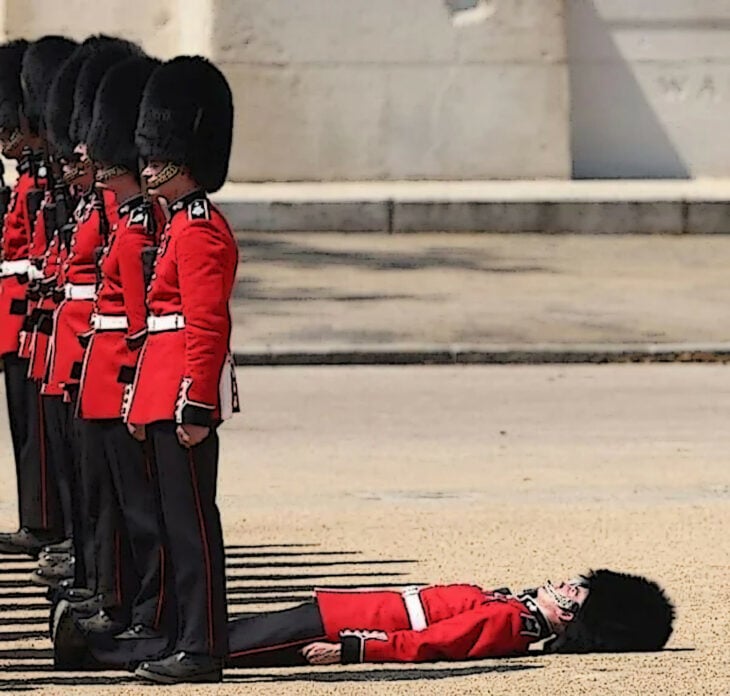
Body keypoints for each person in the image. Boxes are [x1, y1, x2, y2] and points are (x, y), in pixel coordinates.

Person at [123, 55, 239, 685]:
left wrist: (195, 404)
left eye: (154, 154)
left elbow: (205, 326)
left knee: (193, 529)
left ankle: (202, 646)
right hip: (162, 390)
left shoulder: (199, 231)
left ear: (181, 157)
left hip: (182, 397)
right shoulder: (177, 227)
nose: (145, 166)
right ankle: (187, 638)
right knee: (175, 526)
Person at [52, 569, 674, 675]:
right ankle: (109, 647)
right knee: (227, 632)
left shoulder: (513, 624)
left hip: (344, 623)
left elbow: (433, 643)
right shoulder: (514, 609)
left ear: (571, 616)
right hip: (343, 609)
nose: (567, 583)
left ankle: (98, 653)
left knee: (224, 644)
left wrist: (354, 651)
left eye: (577, 591)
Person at [71, 53, 166, 640]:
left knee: (135, 513)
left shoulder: (137, 232)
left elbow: (139, 323)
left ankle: (139, 612)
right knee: (111, 506)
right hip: (100, 379)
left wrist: (133, 390)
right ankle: (117, 603)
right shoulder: (129, 224)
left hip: (120, 384)